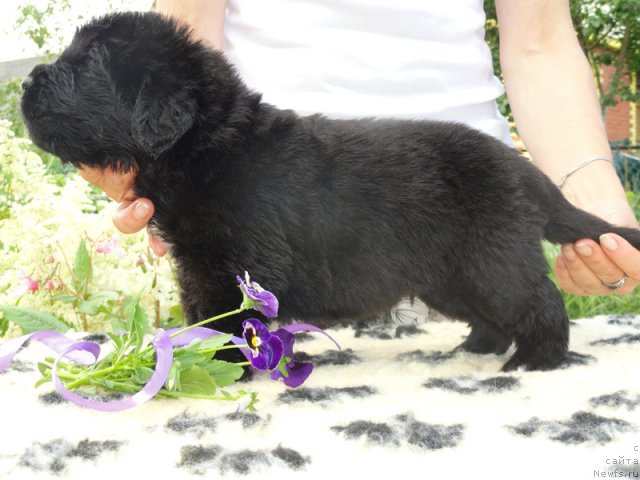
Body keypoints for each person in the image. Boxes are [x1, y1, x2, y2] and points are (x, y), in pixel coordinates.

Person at [79, 0, 639, 297]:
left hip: (457, 217)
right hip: (269, 231)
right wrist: (152, 162)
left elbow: (539, 45)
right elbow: (188, 34)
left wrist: (599, 208)